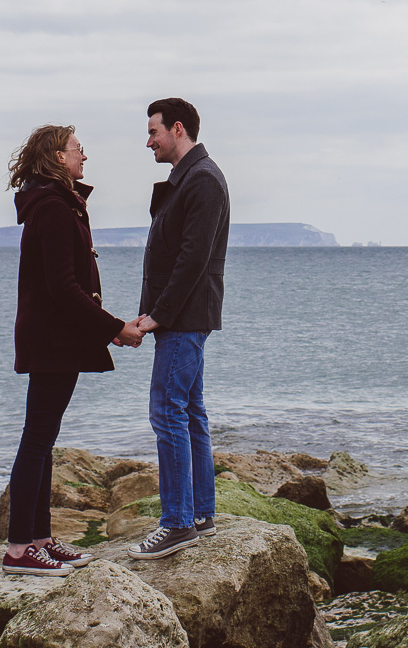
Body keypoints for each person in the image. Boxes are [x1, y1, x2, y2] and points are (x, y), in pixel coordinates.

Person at [0, 124, 142, 576]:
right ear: (59, 158)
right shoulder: (56, 208)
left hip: (55, 337)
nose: (85, 157)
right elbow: (64, 288)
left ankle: (39, 539)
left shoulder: (54, 204)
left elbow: (67, 287)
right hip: (53, 339)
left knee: (42, 439)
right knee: (37, 439)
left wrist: (110, 330)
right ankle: (20, 549)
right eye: (79, 150)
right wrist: (114, 326)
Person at [118, 97, 230, 560]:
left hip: (184, 317)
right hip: (183, 316)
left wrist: (158, 315)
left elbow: (192, 259)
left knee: (167, 412)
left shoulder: (202, 179)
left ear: (177, 129)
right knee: (190, 412)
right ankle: (201, 513)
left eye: (153, 132)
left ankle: (178, 522)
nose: (149, 142)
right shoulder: (186, 179)